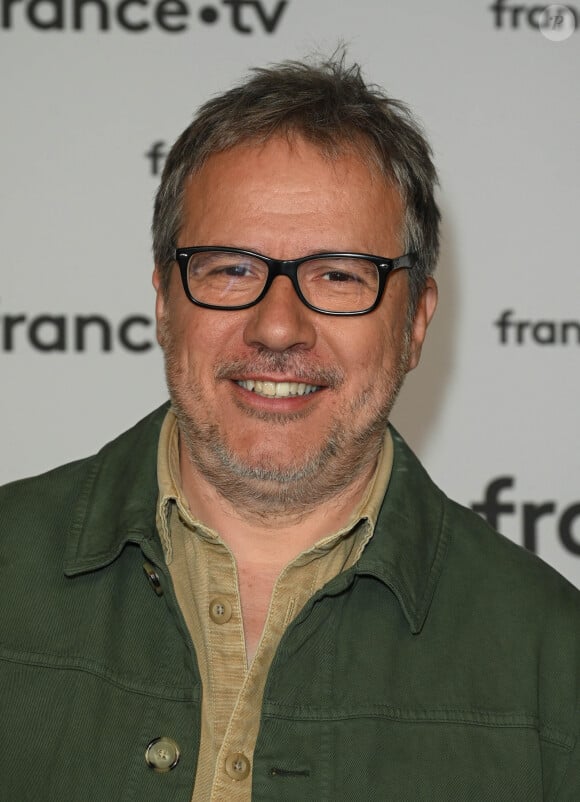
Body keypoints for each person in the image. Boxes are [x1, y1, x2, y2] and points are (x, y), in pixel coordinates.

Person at [1, 55, 579, 802]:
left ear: (415, 324)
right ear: (163, 302)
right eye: (231, 269)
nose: (278, 327)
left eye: (340, 274)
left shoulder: (553, 660)